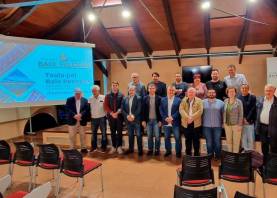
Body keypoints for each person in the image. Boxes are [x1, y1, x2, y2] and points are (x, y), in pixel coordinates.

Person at [179, 87, 203, 156]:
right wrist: (188, 118)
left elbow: (200, 111)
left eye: (192, 92)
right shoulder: (183, 100)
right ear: (187, 93)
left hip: (196, 124)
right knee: (188, 140)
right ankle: (188, 155)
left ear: (195, 93)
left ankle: (196, 155)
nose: (191, 93)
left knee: (196, 140)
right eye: (189, 92)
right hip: (186, 124)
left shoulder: (199, 101)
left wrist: (191, 118)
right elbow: (181, 110)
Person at [256, 84, 277, 161]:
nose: (268, 92)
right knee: (264, 146)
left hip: (273, 127)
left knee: (274, 146)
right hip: (262, 127)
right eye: (266, 90)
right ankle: (265, 164)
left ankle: (273, 165)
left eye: (270, 90)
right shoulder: (260, 100)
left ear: (274, 91)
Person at [159, 85, 182, 157]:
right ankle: (168, 151)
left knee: (177, 138)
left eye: (172, 90)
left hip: (175, 122)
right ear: (167, 91)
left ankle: (178, 152)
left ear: (175, 91)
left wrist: (172, 118)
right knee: (166, 137)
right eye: (170, 90)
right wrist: (165, 118)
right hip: (166, 122)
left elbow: (179, 111)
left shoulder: (179, 100)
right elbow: (161, 109)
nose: (171, 91)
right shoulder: (163, 99)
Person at [65, 88, 89, 153]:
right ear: (74, 94)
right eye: (77, 94)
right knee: (72, 136)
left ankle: (83, 148)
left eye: (79, 94)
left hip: (82, 120)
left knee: (83, 135)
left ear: (81, 94)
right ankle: (72, 149)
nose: (78, 95)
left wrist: (80, 115)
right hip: (72, 120)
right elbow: (68, 109)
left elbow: (86, 110)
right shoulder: (69, 100)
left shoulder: (85, 100)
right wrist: (74, 115)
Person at [202, 89, 224, 159]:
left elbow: (223, 114)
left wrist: (223, 123)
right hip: (206, 126)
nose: (211, 94)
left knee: (217, 142)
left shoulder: (221, 103)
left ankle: (218, 156)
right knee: (209, 142)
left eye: (213, 92)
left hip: (218, 126)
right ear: (207, 94)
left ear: (215, 93)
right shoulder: (202, 102)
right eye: (210, 92)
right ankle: (210, 156)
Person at [104, 81, 124, 154]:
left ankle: (119, 147)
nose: (114, 86)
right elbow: (105, 106)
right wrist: (112, 113)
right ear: (111, 86)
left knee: (119, 132)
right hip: (111, 116)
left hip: (119, 116)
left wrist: (117, 113)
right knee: (112, 132)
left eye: (116, 85)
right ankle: (113, 146)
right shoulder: (107, 95)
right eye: (113, 85)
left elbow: (122, 105)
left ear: (118, 86)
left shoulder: (121, 95)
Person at [122, 86, 143, 156]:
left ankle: (140, 150)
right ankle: (131, 149)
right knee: (130, 135)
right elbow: (122, 109)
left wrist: (133, 116)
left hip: (136, 120)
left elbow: (139, 109)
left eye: (132, 90)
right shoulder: (125, 98)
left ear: (135, 90)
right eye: (130, 90)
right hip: (128, 120)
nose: (131, 91)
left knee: (138, 135)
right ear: (128, 90)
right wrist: (127, 116)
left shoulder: (139, 98)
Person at [142, 83, 162, 156]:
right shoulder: (145, 98)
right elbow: (143, 110)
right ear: (148, 89)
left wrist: (160, 121)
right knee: (149, 136)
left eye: (153, 88)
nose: (151, 89)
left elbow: (161, 110)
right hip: (148, 121)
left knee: (157, 136)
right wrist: (143, 120)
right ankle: (150, 149)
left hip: (156, 121)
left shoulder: (159, 98)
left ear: (155, 89)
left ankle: (157, 149)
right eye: (150, 88)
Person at [223, 87, 243, 153]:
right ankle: (230, 156)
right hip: (227, 125)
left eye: (233, 91)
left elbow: (241, 114)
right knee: (229, 141)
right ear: (227, 93)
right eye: (229, 92)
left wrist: (240, 125)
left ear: (235, 93)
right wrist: (224, 122)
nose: (231, 93)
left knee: (236, 142)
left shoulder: (239, 102)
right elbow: (224, 112)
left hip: (236, 125)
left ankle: (235, 157)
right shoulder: (225, 101)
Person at [238, 84, 256, 151]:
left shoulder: (252, 97)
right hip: (241, 121)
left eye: (246, 88)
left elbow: (253, 109)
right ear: (241, 89)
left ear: (248, 89)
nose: (244, 89)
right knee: (243, 138)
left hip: (249, 121)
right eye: (243, 88)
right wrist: (242, 119)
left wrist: (247, 119)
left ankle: (250, 153)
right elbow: (239, 110)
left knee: (250, 138)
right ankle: (245, 153)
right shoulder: (238, 98)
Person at [89, 85, 107, 152]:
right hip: (93, 119)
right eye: (93, 91)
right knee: (93, 134)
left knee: (104, 133)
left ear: (98, 91)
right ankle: (93, 147)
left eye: (95, 91)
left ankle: (103, 147)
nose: (94, 92)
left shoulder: (103, 97)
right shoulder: (90, 98)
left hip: (102, 118)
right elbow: (89, 108)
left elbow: (106, 107)